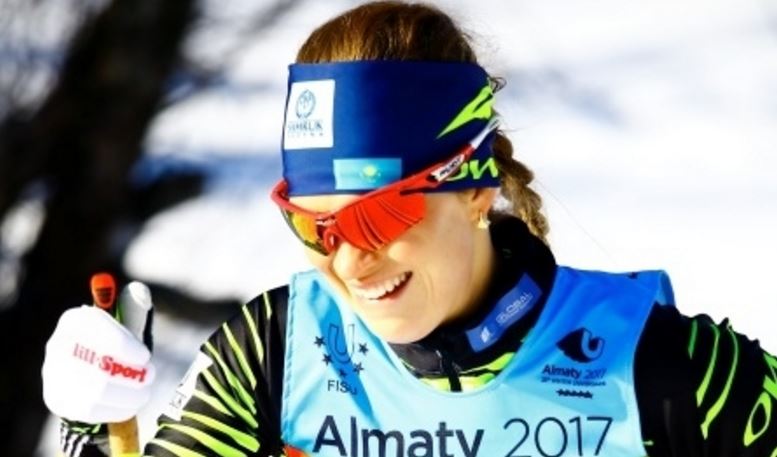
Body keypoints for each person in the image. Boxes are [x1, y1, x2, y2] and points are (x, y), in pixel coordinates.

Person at [43, 1, 777, 456]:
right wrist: (93, 428)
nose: (350, 263)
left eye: (380, 215)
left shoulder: (656, 361)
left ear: (474, 189)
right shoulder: (276, 354)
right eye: (315, 226)